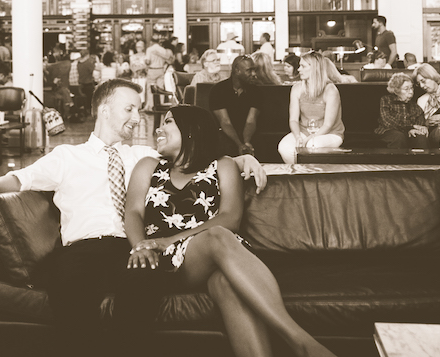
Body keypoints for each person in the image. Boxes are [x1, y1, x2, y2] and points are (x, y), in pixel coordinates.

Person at [0, 79, 266, 357]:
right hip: (82, 248)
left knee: (143, 284)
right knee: (68, 286)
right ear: (104, 110)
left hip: (131, 246)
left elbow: (195, 155)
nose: (137, 117)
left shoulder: (144, 156)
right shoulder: (67, 156)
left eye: (138, 110)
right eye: (129, 109)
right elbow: (20, 179)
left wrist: (242, 159)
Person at [123, 105, 336, 357]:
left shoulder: (222, 165)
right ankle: (301, 342)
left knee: (226, 282)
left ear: (191, 130)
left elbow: (230, 218)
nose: (158, 129)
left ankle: (297, 345)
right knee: (217, 236)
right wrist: (140, 246)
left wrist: (168, 239)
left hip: (220, 252)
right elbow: (133, 212)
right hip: (171, 260)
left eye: (168, 122)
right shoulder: (148, 166)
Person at [277, 51, 345, 165]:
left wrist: (309, 138)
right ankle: (301, 172)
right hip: (304, 131)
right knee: (284, 147)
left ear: (314, 68)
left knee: (312, 145)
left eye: (303, 66)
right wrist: (298, 136)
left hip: (330, 133)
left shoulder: (330, 90)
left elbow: (328, 125)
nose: (299, 69)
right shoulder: (297, 88)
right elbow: (293, 120)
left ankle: (310, 173)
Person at [209, 55, 262, 156]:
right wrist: (239, 144)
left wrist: (246, 142)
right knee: (225, 144)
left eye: (254, 70)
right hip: (225, 133)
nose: (254, 74)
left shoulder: (256, 91)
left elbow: (251, 121)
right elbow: (225, 122)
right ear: (237, 71)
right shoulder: (218, 90)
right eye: (249, 70)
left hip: (249, 133)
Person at [375, 73, 427, 148]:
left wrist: (419, 129)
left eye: (411, 88)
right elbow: (388, 121)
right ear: (396, 90)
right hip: (388, 131)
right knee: (398, 136)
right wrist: (409, 128)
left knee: (420, 137)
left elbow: (419, 123)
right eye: (406, 89)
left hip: (409, 132)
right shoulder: (386, 100)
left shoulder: (415, 106)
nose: (411, 92)